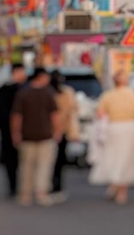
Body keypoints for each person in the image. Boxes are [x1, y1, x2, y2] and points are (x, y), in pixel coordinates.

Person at [89, 68, 134, 205]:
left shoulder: (107, 95)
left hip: (113, 127)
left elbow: (100, 113)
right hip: (130, 127)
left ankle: (113, 185)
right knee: (128, 159)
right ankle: (122, 191)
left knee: (112, 157)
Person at [11, 68, 61, 207]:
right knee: (44, 166)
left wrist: (16, 133)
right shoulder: (49, 94)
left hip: (27, 136)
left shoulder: (23, 94)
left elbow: (16, 116)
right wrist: (57, 131)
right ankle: (41, 193)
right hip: (46, 135)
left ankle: (25, 194)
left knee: (26, 166)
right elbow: (55, 115)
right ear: (41, 77)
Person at [0, 63, 27, 197]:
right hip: (21, 131)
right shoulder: (24, 90)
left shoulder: (2, 90)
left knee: (13, 161)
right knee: (22, 160)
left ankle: (14, 186)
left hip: (7, 132)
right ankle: (19, 186)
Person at [49, 71, 81, 201]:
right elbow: (75, 109)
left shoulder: (46, 92)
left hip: (46, 131)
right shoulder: (68, 93)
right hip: (63, 131)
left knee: (47, 161)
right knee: (59, 161)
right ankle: (57, 186)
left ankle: (46, 185)